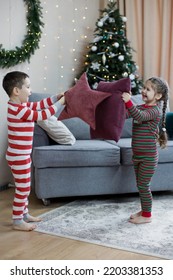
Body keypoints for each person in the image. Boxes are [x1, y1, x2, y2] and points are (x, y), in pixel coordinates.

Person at [2, 71, 66, 231]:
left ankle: (23, 214)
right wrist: (62, 103)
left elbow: (39, 105)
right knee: (23, 188)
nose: (31, 91)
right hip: (18, 156)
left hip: (21, 155)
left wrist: (56, 97)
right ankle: (17, 220)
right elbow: (42, 114)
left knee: (25, 186)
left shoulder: (21, 105)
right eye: (28, 87)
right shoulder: (18, 110)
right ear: (17, 91)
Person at [122, 77, 169, 224]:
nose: (143, 91)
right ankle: (144, 210)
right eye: (144, 88)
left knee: (144, 186)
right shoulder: (141, 107)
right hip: (137, 156)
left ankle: (147, 216)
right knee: (140, 185)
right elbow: (127, 114)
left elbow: (139, 116)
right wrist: (121, 103)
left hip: (148, 157)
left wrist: (129, 101)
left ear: (158, 96)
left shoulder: (155, 111)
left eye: (148, 89)